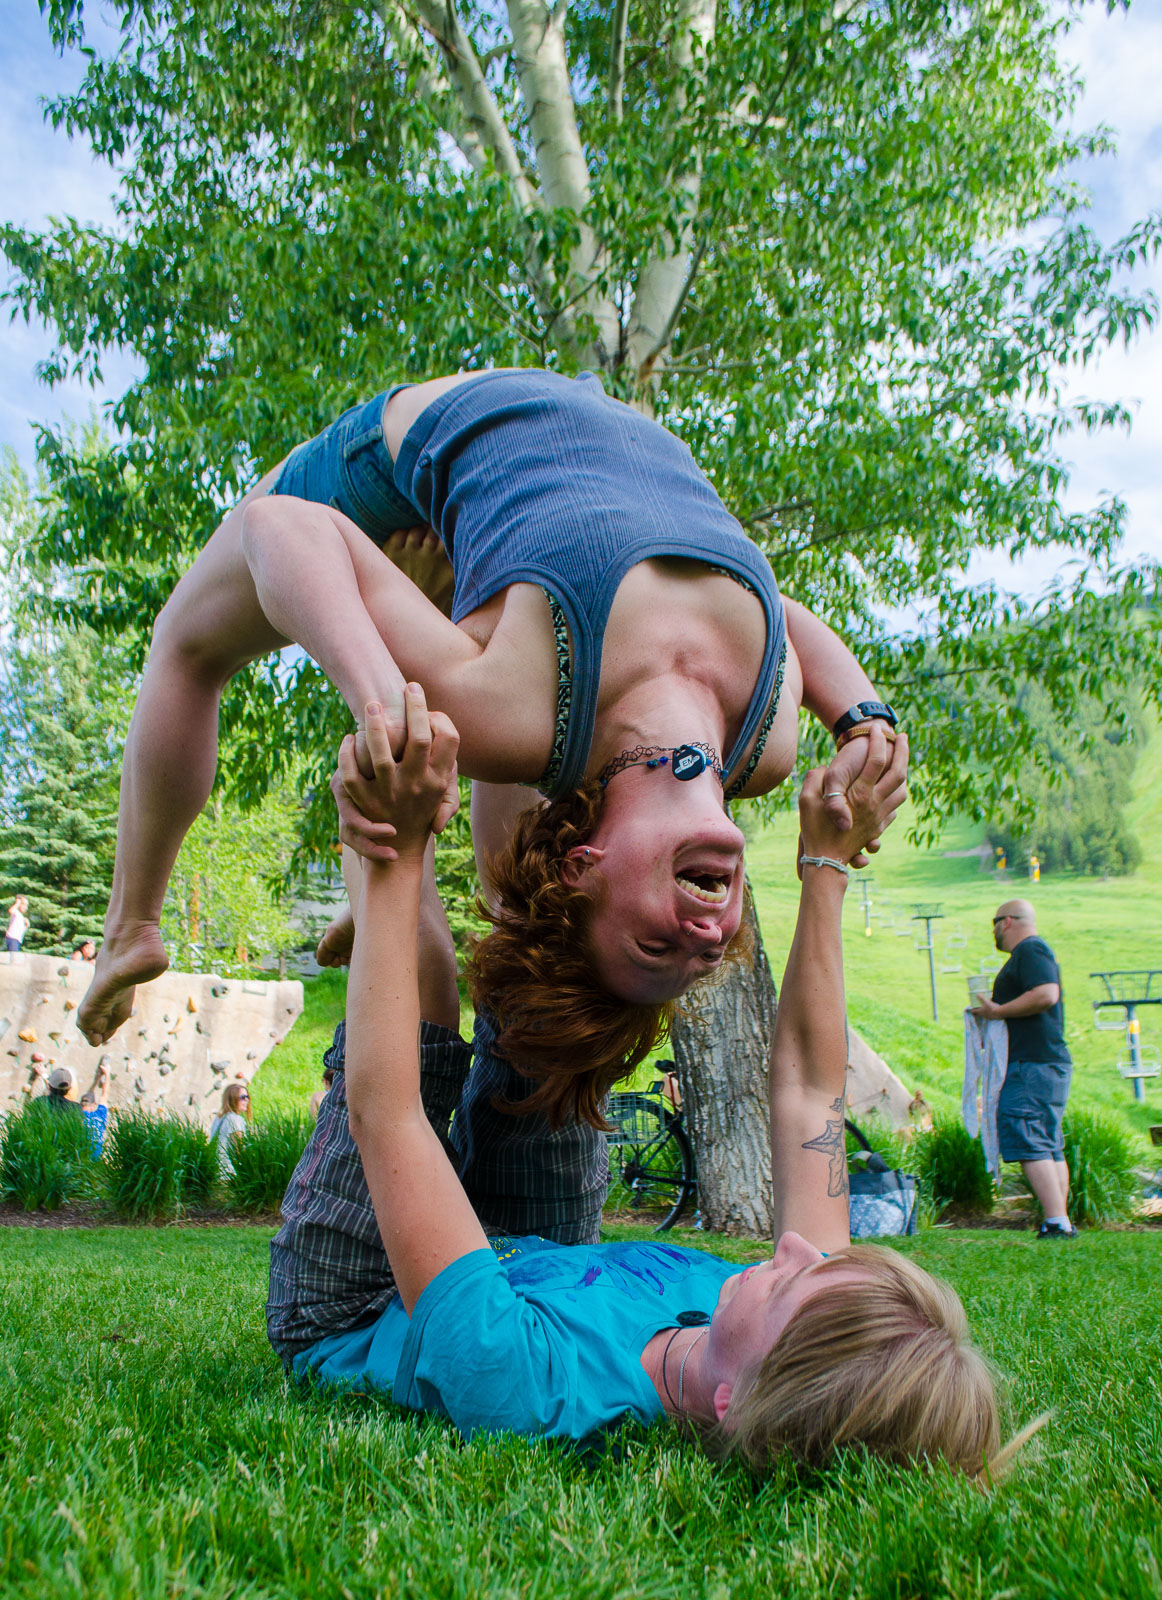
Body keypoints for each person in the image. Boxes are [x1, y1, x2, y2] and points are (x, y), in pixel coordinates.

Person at [79, 368, 903, 1122]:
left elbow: (280, 527)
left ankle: (133, 924)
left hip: (430, 439)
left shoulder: (504, 701)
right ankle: (152, 922)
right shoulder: (764, 744)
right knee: (507, 738)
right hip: (571, 442)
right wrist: (866, 717)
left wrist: (385, 701)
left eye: (658, 945)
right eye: (704, 959)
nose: (705, 939)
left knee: (186, 643)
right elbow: (776, 609)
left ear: (585, 865)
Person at [270, 691, 1009, 1473]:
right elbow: (811, 1093)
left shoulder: (529, 1383)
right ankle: (493, 664)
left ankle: (387, 799)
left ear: (734, 1400)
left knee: (424, 965)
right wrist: (826, 861)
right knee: (550, 995)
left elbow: (388, 1113)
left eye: (796, 1283)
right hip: (539, 1262)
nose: (797, 1247)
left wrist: (397, 854)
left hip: (369, 1303)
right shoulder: (795, 1310)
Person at [973, 900, 1076, 1240]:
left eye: (993, 923)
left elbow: (1046, 994)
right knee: (1047, 1142)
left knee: (1028, 1134)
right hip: (1046, 1061)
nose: (993, 932)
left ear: (1007, 922)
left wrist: (998, 1012)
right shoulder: (1034, 952)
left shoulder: (1031, 950)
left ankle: (1056, 1222)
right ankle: (1059, 1220)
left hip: (1031, 1063)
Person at [209, 1082, 251, 1179]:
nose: (247, 1100)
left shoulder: (220, 1117)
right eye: (243, 1097)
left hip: (215, 1171)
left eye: (247, 1096)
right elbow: (239, 1149)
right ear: (233, 1099)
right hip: (228, 1174)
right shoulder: (235, 1119)